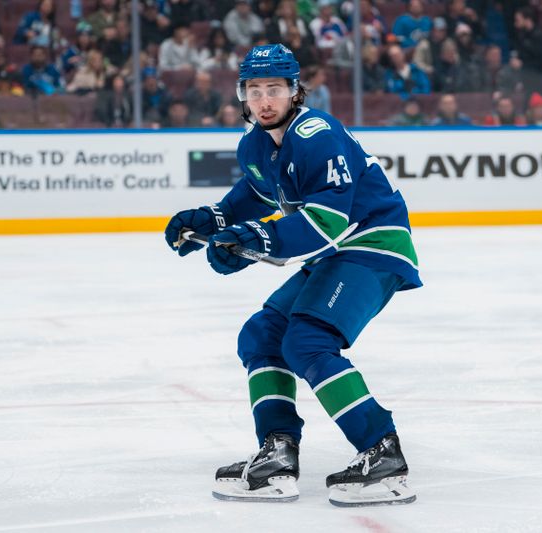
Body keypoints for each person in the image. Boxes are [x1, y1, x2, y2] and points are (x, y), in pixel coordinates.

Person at [164, 44, 421, 506]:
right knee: (262, 336)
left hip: (373, 247)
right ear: (243, 95)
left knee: (307, 342)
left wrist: (257, 240)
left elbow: (328, 221)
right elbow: (252, 199)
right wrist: (211, 224)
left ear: (295, 92)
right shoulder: (256, 146)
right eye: (255, 90)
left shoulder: (316, 132)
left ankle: (383, 452)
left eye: (275, 90)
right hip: (335, 254)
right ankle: (277, 453)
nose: (265, 100)